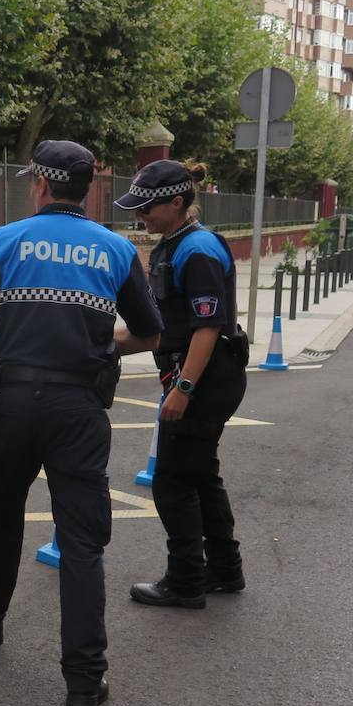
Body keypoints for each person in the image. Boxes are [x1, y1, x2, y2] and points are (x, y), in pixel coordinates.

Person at [0, 139, 163, 706]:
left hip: (14, 403)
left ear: (40, 184)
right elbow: (149, 334)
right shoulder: (116, 249)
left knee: (1, 515)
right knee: (82, 541)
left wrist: (6, 330)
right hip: (78, 409)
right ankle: (85, 680)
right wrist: (96, 340)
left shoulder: (10, 239)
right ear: (85, 189)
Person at [113, 160, 249, 609]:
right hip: (202, 375)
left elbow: (208, 327)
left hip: (205, 379)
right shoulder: (176, 244)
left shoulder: (199, 249)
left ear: (176, 202)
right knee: (199, 475)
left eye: (147, 209)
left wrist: (183, 390)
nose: (141, 217)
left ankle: (186, 580)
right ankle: (225, 570)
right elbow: (164, 325)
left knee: (172, 480)